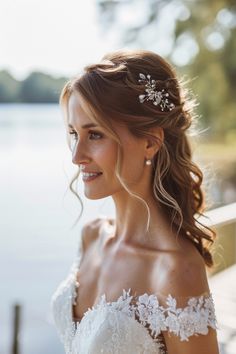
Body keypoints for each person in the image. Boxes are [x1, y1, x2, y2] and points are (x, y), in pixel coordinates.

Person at [51, 49, 219, 354]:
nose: (77, 157)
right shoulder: (91, 237)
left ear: (150, 143)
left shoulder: (175, 270)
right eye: (75, 134)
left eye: (96, 135)